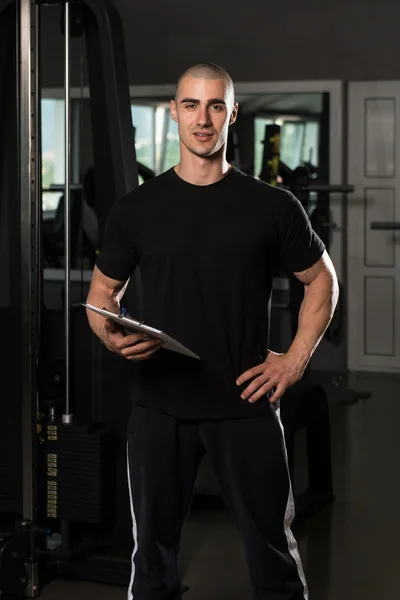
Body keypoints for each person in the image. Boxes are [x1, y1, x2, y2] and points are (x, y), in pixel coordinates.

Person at [86, 62, 339, 600]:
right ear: (174, 112)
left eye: (215, 105)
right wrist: (109, 334)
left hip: (245, 404)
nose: (204, 119)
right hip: (159, 408)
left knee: (273, 558)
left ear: (232, 114)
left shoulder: (272, 206)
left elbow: (322, 281)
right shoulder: (136, 209)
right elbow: (100, 296)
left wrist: (293, 360)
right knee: (151, 560)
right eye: (192, 105)